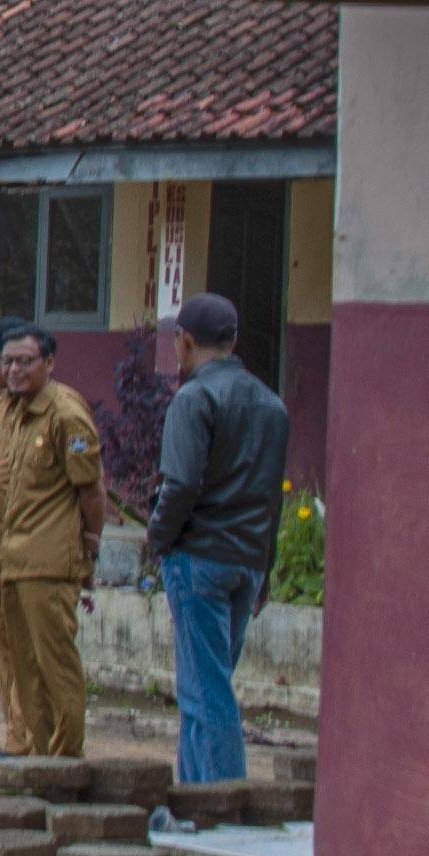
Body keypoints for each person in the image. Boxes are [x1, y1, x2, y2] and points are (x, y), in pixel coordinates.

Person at [145, 291, 292, 786]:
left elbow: (180, 485)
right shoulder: (272, 405)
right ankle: (194, 798)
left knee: (206, 693)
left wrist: (158, 539)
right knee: (202, 688)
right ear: (234, 340)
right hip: (247, 561)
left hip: (199, 555)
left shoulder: (193, 399)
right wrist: (265, 567)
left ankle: (223, 802)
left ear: (184, 342)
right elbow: (273, 497)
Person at [0, 313, 102, 764]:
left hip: (48, 561)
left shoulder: (65, 413)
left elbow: (91, 490)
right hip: (10, 560)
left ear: (49, 362)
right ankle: (37, 759)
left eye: (25, 361)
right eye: (8, 362)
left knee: (54, 663)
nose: (14, 370)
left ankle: (64, 759)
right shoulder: (12, 411)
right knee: (24, 667)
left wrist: (92, 544)